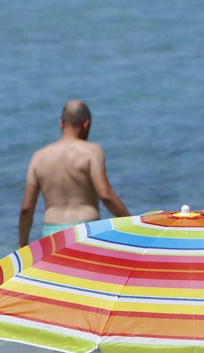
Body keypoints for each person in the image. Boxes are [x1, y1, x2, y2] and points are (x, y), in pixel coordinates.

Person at [18, 99, 131, 246]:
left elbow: (26, 209)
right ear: (86, 124)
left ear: (61, 123)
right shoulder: (92, 151)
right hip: (87, 232)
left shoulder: (38, 157)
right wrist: (131, 223)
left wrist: (22, 244)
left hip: (51, 236)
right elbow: (106, 196)